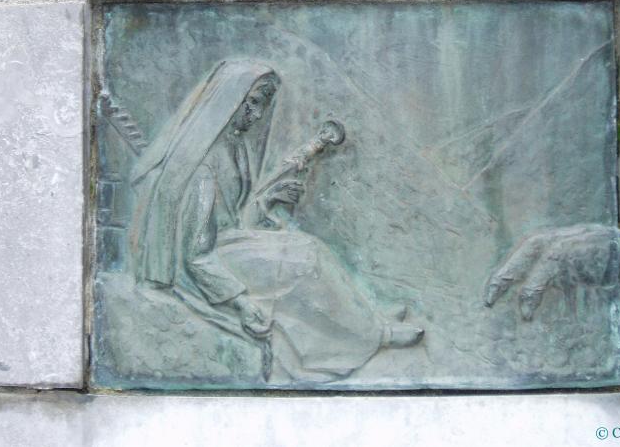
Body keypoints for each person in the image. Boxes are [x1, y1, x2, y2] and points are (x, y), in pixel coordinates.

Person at [129, 59, 423, 383]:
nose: (257, 115)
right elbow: (196, 255)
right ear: (230, 98)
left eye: (263, 106)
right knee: (305, 258)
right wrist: (240, 302)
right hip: (214, 261)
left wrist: (268, 199)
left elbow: (232, 219)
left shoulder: (233, 147)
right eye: (253, 103)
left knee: (309, 249)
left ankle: (364, 318)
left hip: (229, 245)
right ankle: (373, 334)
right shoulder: (202, 167)